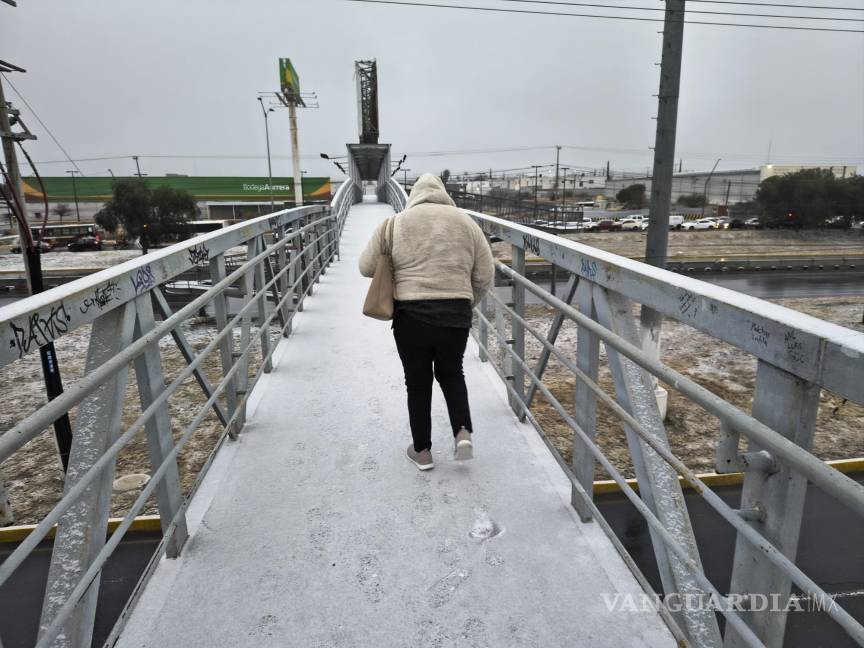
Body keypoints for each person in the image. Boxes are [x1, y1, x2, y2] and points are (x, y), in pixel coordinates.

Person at [359, 174, 494, 471]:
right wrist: (465, 303)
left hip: (411, 318)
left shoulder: (394, 224)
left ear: (413, 196)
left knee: (417, 384)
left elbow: (365, 267)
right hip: (455, 315)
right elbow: (485, 274)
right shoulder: (466, 223)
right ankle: (462, 433)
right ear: (443, 194)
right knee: (452, 375)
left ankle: (422, 451)